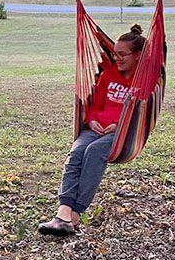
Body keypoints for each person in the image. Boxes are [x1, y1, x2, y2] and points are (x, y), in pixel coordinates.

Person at [38, 24, 146, 236]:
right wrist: (93, 120)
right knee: (77, 152)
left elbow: (141, 112)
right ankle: (64, 213)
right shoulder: (108, 74)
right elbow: (96, 105)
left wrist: (120, 125)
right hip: (96, 127)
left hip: (124, 132)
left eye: (123, 54)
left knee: (95, 152)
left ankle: (75, 213)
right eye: (115, 54)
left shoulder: (144, 80)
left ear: (138, 55)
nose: (117, 59)